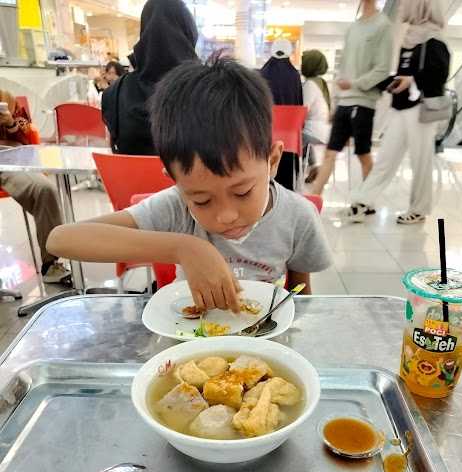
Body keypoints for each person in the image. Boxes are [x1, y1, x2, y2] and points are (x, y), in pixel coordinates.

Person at [48, 57, 332, 310]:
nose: (226, 215)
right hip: (190, 343)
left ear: (272, 161)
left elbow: (299, 295)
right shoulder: (176, 208)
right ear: (175, 181)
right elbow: (60, 239)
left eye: (242, 192)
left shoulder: (297, 217)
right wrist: (182, 248)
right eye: (202, 200)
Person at [348, 0, 450, 224]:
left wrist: (412, 80)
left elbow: (440, 74)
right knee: (386, 157)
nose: (403, 8)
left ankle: (419, 208)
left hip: (421, 110)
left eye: (407, 4)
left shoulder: (434, 40)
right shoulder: (408, 39)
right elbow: (406, 72)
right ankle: (364, 200)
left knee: (420, 161)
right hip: (401, 107)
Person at [309, 0, 393, 197]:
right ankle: (314, 198)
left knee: (363, 154)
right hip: (345, 102)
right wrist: (336, 102)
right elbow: (343, 68)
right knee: (330, 152)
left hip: (364, 102)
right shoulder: (353, 28)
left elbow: (382, 69)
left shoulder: (384, 26)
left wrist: (355, 84)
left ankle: (367, 200)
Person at [102, 0, 198, 155]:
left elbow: (114, 149)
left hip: (129, 179)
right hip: (190, 179)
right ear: (189, 33)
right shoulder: (209, 93)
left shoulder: (114, 93)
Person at [0, 90, 70, 284]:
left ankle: (51, 263)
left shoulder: (6, 100)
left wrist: (11, 124)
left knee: (44, 189)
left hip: (8, 157)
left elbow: (26, 141)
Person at [260, 39, 303, 191]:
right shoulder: (294, 75)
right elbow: (299, 104)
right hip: (290, 138)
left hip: (266, 134)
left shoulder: (262, 74)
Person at [301, 49, 331, 183]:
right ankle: (313, 166)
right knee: (302, 137)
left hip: (314, 130)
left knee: (293, 137)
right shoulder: (321, 82)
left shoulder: (310, 85)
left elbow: (302, 110)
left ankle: (295, 172)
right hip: (322, 130)